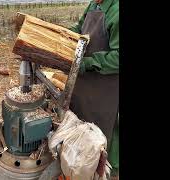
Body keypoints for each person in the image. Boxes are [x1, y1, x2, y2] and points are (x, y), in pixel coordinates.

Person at [69, 0, 119, 178]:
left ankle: (109, 172)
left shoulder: (116, 10)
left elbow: (118, 57)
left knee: (106, 137)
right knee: (84, 128)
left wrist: (89, 63)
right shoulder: (94, 5)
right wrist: (65, 35)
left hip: (107, 89)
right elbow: (80, 28)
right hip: (86, 84)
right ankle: (85, 166)